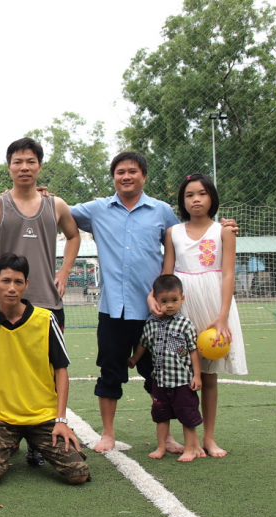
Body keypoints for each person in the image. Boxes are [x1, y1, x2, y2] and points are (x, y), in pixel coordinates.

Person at [0, 137, 80, 466]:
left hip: (47, 303)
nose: (24, 167)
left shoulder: (55, 205)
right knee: (7, 371)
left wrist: (65, 270)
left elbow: (74, 235)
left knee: (47, 371)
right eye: (17, 162)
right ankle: (6, 433)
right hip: (7, 303)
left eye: (30, 161)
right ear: (9, 166)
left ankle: (42, 441)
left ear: (39, 166)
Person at [70, 152, 189, 453]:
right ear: (113, 177)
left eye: (132, 171)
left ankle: (168, 435)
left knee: (160, 374)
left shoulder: (161, 211)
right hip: (113, 310)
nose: (126, 176)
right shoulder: (97, 209)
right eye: (120, 171)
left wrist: (221, 228)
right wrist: (40, 195)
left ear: (143, 176)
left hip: (154, 313)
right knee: (110, 372)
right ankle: (107, 433)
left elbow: (184, 242)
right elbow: (58, 211)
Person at [0, 253, 89, 485]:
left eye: (18, 282)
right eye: (5, 281)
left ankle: (35, 443)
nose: (11, 288)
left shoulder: (46, 320)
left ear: (26, 285)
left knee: (78, 474)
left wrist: (61, 419)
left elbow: (61, 371)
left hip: (43, 417)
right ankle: (10, 444)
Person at [160, 173, 247, 457]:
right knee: (184, 376)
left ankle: (209, 438)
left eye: (201, 193)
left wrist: (222, 316)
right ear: (182, 201)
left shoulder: (223, 231)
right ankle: (191, 440)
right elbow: (167, 273)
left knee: (209, 377)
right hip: (183, 308)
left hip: (214, 307)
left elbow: (229, 273)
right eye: (189, 195)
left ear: (211, 197)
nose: (195, 199)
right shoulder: (173, 232)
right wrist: (165, 308)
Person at [128, 274, 204, 462]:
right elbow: (143, 344)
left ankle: (190, 448)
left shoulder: (185, 324)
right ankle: (161, 446)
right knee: (160, 416)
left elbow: (193, 351)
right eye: (164, 301)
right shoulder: (151, 324)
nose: (169, 305)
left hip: (182, 381)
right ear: (156, 301)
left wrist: (197, 376)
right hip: (160, 382)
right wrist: (134, 359)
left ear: (182, 299)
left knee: (187, 415)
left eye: (174, 300)